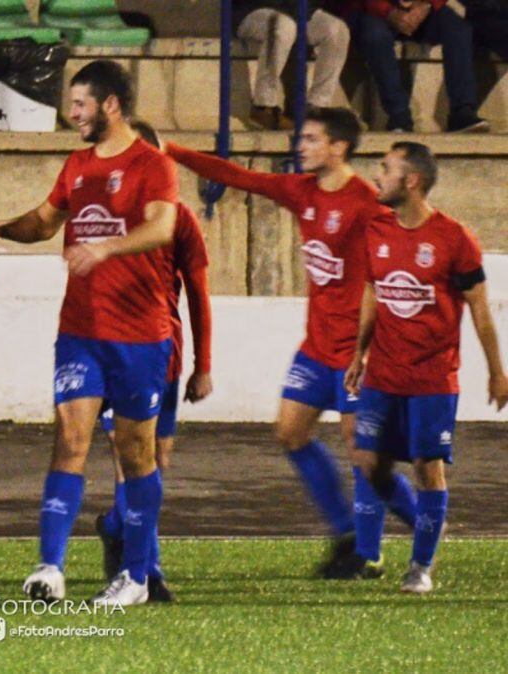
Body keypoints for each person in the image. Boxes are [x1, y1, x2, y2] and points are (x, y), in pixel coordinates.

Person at [165, 108, 419, 577]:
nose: (300, 145)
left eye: (311, 138)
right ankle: (347, 534)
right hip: (317, 347)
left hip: (358, 353)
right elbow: (237, 175)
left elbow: (392, 275)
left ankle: (409, 532)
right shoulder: (302, 191)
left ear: (338, 147)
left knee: (363, 452)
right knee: (290, 432)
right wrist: (173, 150)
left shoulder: (366, 204)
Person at [0, 61, 180, 607]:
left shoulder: (153, 166)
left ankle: (137, 577)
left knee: (137, 453)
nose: (71, 115)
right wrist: (1, 229)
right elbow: (46, 221)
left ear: (110, 105)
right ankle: (50, 567)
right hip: (81, 331)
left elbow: (163, 225)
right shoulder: (76, 164)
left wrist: (106, 248)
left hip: (140, 335)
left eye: (80, 105)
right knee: (69, 440)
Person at [343, 141, 507, 593]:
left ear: (410, 181)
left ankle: (420, 566)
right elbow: (374, 293)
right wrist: (359, 352)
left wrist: (497, 371)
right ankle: (402, 535)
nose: (377, 176)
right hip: (383, 376)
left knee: (426, 466)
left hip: (433, 379)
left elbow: (479, 309)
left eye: (385, 169)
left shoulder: (454, 239)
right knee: (367, 459)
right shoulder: (377, 230)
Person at [93, 120, 213, 600]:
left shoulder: (180, 220)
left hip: (164, 353)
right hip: (112, 352)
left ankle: (116, 527)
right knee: (131, 461)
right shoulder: (101, 213)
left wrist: (204, 364)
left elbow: (199, 294)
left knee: (155, 462)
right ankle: (148, 571)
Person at [346, 0, 488, 132]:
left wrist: (426, 5)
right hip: (373, 11)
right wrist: (388, 12)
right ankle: (399, 115)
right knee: (375, 36)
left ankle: (462, 111)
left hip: (422, 8)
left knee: (458, 29)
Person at [234, 1, 351, 130]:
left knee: (337, 29)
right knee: (283, 25)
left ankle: (316, 107)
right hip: (254, 9)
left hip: (300, 10)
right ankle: (263, 106)